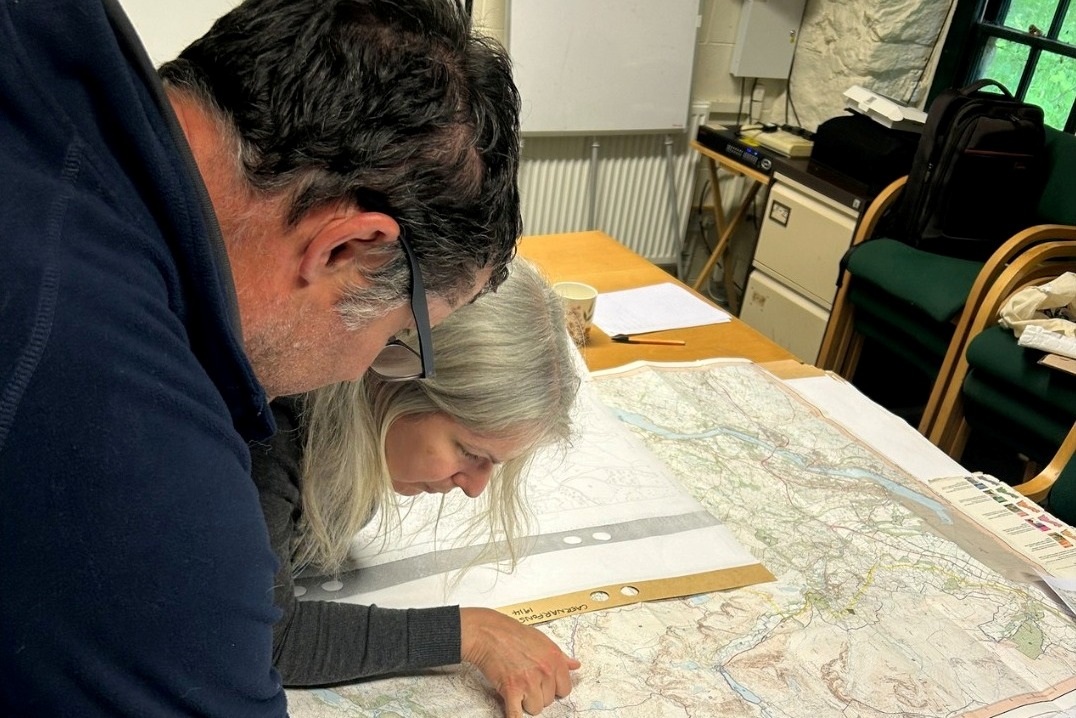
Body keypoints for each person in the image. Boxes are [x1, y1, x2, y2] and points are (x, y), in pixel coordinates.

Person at [0, 0, 576, 715]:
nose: (358, 372)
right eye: (400, 338)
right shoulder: (155, 465)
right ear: (343, 247)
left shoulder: (53, 33)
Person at [252, 259, 582, 716]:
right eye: (470, 451)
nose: (474, 488)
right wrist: (471, 634)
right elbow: (265, 637)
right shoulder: (269, 437)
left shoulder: (356, 432)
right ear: (395, 377)